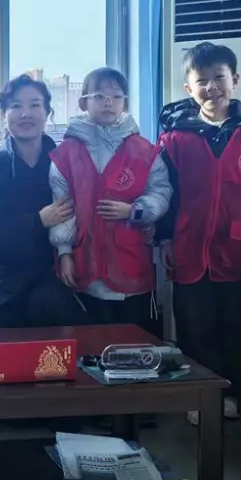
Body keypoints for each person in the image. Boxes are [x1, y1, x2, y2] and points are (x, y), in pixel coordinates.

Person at [157, 42, 241, 422]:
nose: (211, 87)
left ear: (234, 80)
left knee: (236, 327)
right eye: (201, 80)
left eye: (219, 77)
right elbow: (166, 193)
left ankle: (232, 395)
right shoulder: (174, 140)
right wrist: (165, 237)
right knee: (195, 327)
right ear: (189, 88)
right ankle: (199, 398)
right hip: (189, 250)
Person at [0, 74, 88, 329]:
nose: (25, 114)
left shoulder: (68, 164)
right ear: (4, 115)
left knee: (51, 304)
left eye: (35, 105)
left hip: (54, 265)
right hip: (2, 271)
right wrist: (37, 221)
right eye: (16, 106)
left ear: (48, 112)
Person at [48, 68, 171, 333]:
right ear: (83, 103)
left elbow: (161, 191)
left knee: (134, 339)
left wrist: (135, 210)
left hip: (131, 261)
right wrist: (64, 252)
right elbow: (61, 206)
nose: (108, 102)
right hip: (86, 261)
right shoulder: (66, 154)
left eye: (116, 96)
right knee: (91, 340)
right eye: (99, 96)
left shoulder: (144, 150)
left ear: (125, 102)